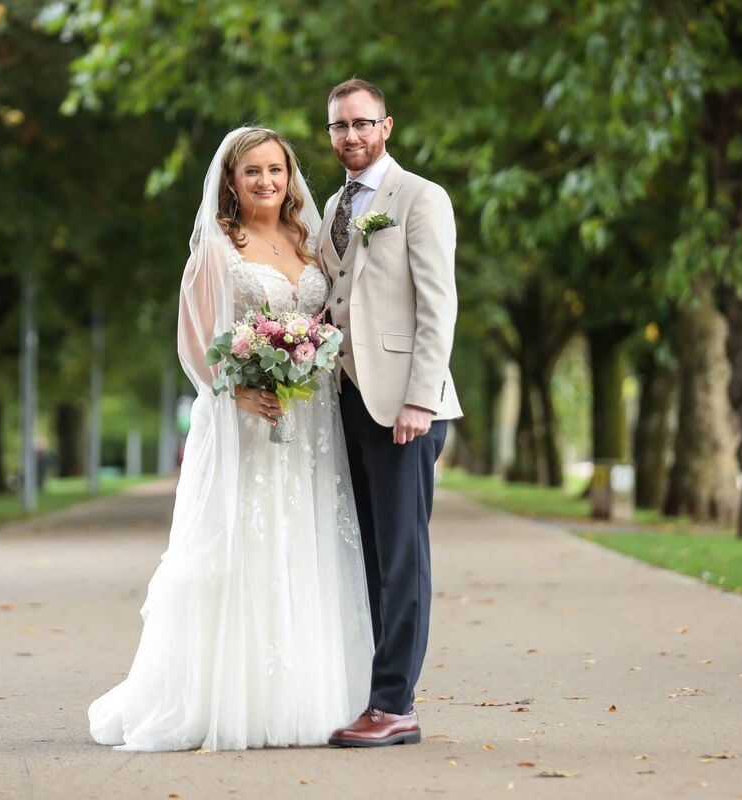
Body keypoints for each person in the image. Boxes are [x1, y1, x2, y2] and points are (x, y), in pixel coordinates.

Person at [88, 127, 373, 751]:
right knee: (247, 545)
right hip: (244, 420)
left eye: (276, 169)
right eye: (252, 172)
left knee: (307, 542)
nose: (266, 181)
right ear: (231, 182)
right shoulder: (217, 250)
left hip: (312, 419)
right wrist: (235, 391)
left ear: (290, 177)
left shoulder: (308, 241)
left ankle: (308, 697)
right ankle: (233, 701)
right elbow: (193, 343)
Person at [318, 79, 464, 748]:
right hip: (348, 401)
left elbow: (439, 305)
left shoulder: (421, 198)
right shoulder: (333, 206)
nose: (351, 135)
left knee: (403, 557)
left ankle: (394, 704)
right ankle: (381, 694)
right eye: (339, 126)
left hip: (405, 406)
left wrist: (419, 398)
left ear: (386, 126)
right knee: (371, 557)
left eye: (362, 123)